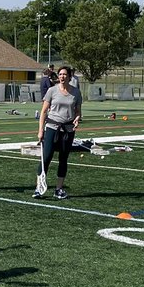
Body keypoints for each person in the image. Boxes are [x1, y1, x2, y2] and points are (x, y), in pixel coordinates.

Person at [35, 66, 82, 199]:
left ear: (70, 76)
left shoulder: (76, 93)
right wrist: (40, 131)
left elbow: (78, 111)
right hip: (52, 127)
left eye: (64, 74)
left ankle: (58, 189)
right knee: (46, 157)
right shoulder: (52, 90)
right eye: (60, 74)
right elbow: (44, 111)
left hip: (67, 130)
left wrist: (77, 118)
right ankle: (39, 188)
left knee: (63, 159)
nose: (62, 77)